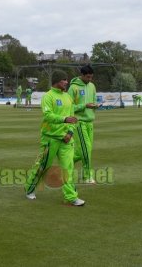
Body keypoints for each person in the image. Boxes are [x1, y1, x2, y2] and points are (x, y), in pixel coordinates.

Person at [25, 70, 85, 206]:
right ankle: (29, 188)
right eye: (64, 79)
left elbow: (73, 118)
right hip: (50, 139)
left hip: (67, 139)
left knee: (67, 168)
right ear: (57, 81)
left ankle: (71, 197)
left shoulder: (68, 97)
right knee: (42, 166)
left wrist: (70, 133)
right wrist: (64, 119)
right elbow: (48, 116)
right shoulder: (48, 96)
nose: (66, 82)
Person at [68, 64, 99, 184]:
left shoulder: (92, 86)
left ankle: (66, 164)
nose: (90, 80)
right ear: (82, 75)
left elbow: (94, 101)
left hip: (90, 122)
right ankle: (87, 176)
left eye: (91, 77)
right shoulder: (73, 88)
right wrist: (84, 106)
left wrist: (95, 106)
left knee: (86, 151)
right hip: (79, 122)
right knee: (86, 150)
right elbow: (69, 107)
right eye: (88, 77)